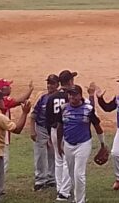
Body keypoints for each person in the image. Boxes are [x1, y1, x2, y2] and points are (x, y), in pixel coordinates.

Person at [57, 85, 106, 203]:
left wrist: (102, 143)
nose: (72, 97)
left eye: (74, 94)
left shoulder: (88, 109)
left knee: (79, 174)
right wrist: (59, 144)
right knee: (71, 172)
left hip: (83, 144)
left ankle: (80, 200)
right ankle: (77, 196)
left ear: (80, 95)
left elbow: (97, 127)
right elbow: (60, 127)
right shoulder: (63, 108)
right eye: (70, 94)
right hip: (68, 144)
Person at [45, 70, 77, 201]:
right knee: (67, 161)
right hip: (67, 130)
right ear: (70, 81)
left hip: (53, 130)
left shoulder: (51, 97)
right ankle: (64, 191)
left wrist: (48, 135)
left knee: (58, 160)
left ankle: (60, 188)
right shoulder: (71, 96)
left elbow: (47, 118)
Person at [0, 78, 33, 174]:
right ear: (1, 90)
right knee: (2, 166)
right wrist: (30, 89)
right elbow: (21, 100)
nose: (10, 88)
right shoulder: (3, 101)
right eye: (8, 86)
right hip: (2, 138)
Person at [30, 74, 59, 191]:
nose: (49, 85)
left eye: (52, 83)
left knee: (53, 153)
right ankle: (40, 179)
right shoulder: (42, 97)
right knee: (40, 154)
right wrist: (32, 130)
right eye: (48, 83)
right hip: (41, 128)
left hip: (53, 129)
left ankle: (52, 178)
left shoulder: (59, 98)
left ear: (57, 84)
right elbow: (33, 115)